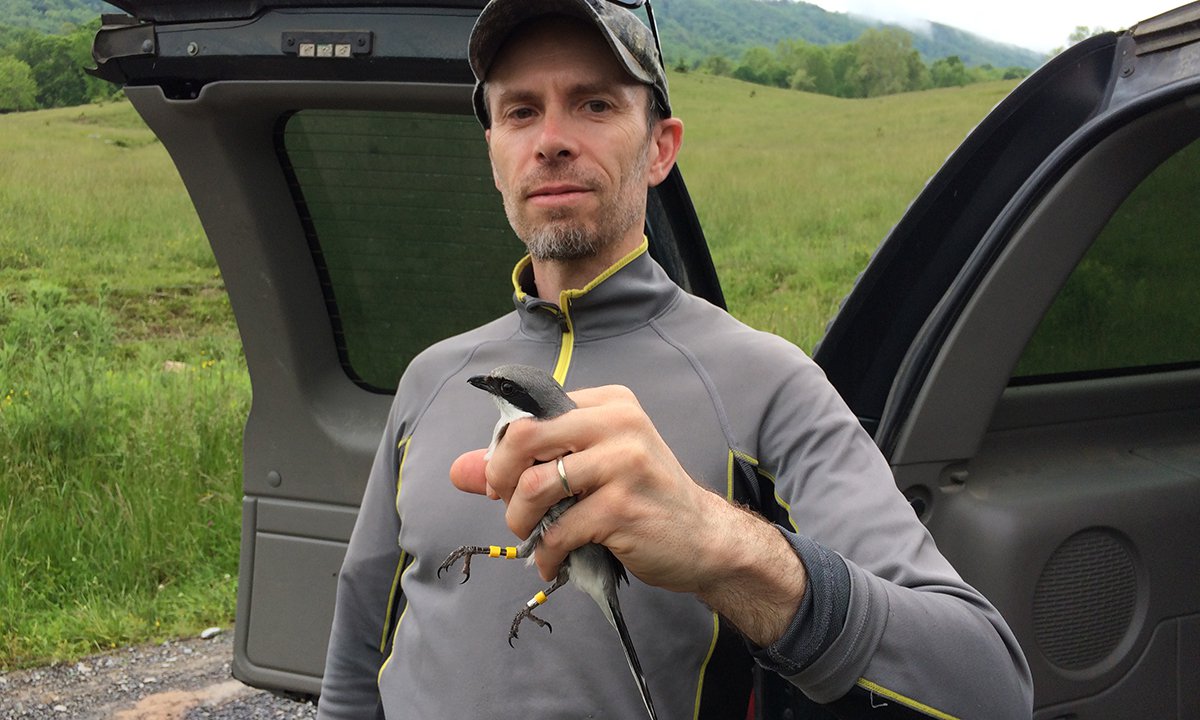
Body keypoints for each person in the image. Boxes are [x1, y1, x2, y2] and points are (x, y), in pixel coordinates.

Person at [317, 0, 1033, 718]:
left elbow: (988, 684)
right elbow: (356, 653)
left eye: (593, 104)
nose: (553, 140)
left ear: (660, 147)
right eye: (520, 111)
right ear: (494, 152)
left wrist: (723, 544)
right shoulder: (431, 378)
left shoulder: (765, 382)